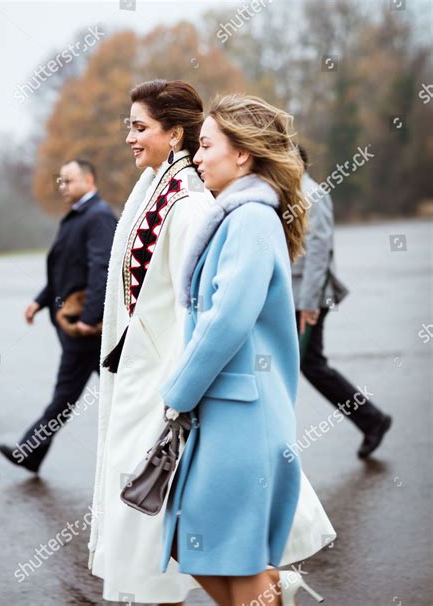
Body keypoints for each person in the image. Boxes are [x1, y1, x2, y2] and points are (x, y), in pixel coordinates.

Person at [158, 95, 336, 606]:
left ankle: (269, 589)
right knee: (194, 544)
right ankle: (272, 587)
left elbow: (228, 318)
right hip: (230, 411)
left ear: (243, 155)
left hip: (243, 415)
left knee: (230, 555)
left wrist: (177, 392)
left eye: (206, 145)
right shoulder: (239, 216)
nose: (196, 156)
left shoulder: (251, 218)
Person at [87, 80, 213, 605]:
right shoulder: (156, 190)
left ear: (174, 133)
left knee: (159, 520)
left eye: (140, 128)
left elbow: (198, 311)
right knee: (145, 519)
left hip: (162, 389)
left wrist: (178, 396)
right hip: (138, 380)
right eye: (130, 127)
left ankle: (266, 588)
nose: (130, 139)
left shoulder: (187, 204)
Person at [0, 159, 117, 473]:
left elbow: (101, 270)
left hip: (85, 330)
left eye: (69, 180)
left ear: (89, 180)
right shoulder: (79, 217)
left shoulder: (98, 217)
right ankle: (32, 452)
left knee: (67, 394)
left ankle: (30, 450)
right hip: (80, 327)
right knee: (117, 389)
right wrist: (39, 301)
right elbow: (65, 271)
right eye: (60, 181)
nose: (62, 186)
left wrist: (89, 320)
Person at [291, 146, 392, 458]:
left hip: (308, 300)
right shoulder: (292, 193)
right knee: (305, 365)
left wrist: (308, 305)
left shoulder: (312, 194)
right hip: (296, 297)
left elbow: (319, 254)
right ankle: (372, 419)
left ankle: (372, 419)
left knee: (310, 365)